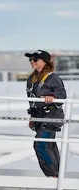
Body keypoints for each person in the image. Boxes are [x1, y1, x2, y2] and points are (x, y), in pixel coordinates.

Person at [25, 50, 67, 178]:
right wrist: (32, 118)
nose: (32, 62)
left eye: (35, 60)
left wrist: (52, 96)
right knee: (48, 144)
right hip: (39, 117)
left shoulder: (53, 78)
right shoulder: (31, 79)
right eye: (30, 60)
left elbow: (62, 95)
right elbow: (32, 101)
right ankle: (58, 175)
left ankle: (53, 176)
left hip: (52, 116)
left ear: (44, 62)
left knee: (41, 144)